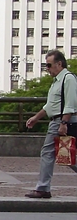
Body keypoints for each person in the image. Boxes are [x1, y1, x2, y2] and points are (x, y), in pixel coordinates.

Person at [25, 49, 77, 198]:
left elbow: (71, 104)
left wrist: (63, 123)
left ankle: (43, 188)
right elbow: (50, 105)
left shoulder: (68, 79)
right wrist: (36, 117)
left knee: (50, 154)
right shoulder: (57, 81)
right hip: (58, 121)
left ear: (59, 64)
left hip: (63, 121)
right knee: (67, 158)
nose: (47, 69)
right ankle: (43, 188)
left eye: (48, 65)